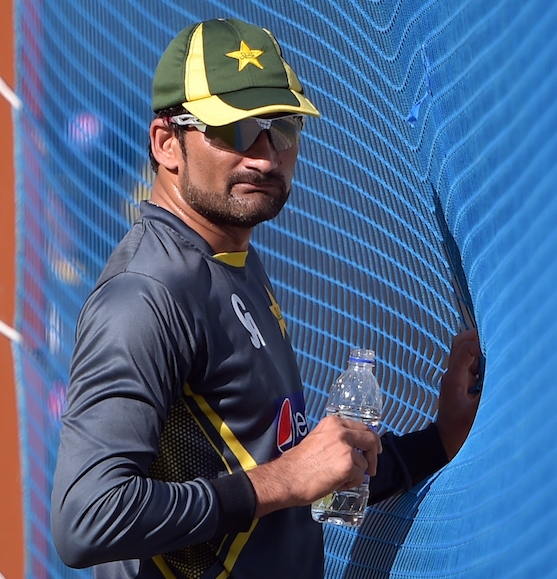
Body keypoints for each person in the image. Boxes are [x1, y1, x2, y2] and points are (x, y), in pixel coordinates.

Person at [51, 18, 481, 578]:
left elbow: (287, 484)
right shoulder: (145, 296)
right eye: (234, 130)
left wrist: (438, 442)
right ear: (167, 144)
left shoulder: (232, 260)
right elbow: (86, 519)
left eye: (281, 128)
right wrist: (287, 478)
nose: (264, 155)